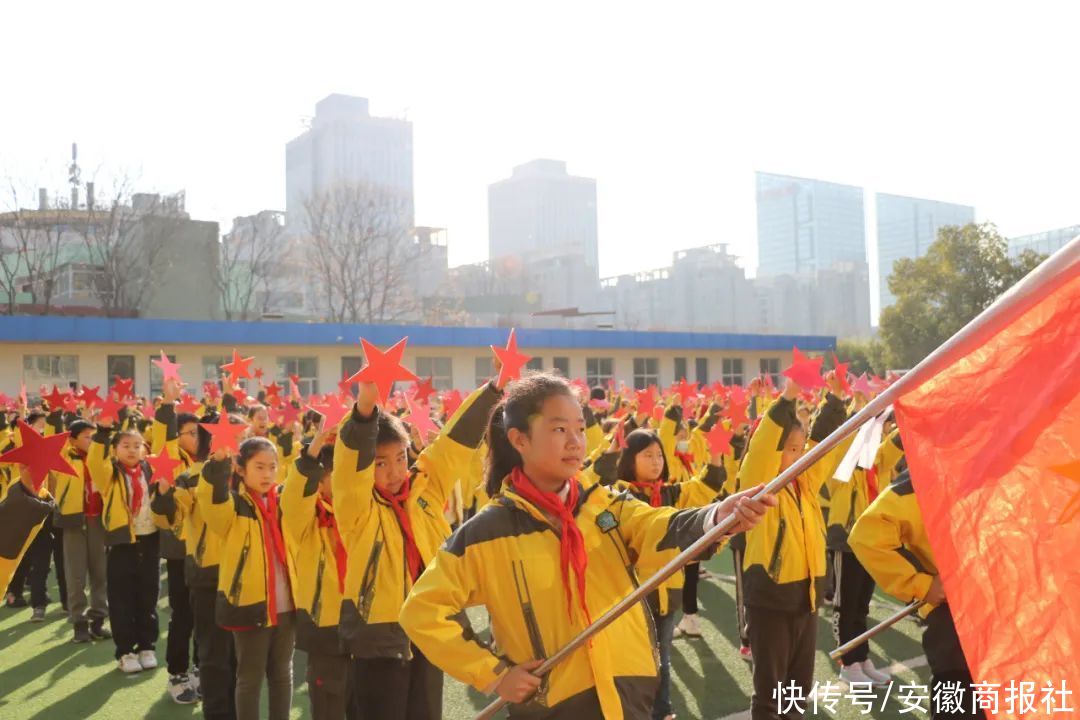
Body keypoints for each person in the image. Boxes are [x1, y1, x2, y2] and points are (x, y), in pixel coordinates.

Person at [399, 372, 776, 719]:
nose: (576, 441)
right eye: (559, 429)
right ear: (520, 440)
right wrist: (494, 674)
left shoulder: (605, 505)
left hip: (628, 692)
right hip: (553, 705)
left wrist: (716, 518)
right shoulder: (487, 532)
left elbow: (658, 526)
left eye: (579, 428)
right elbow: (421, 610)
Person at [332, 376, 503, 720]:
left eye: (399, 458)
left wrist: (494, 390)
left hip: (428, 630)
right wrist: (365, 410)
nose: (395, 471)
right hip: (378, 638)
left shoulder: (425, 489)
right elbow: (350, 468)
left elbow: (453, 445)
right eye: (380, 463)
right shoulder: (358, 508)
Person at [736, 373, 852, 720]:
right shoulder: (759, 485)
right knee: (770, 690)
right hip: (771, 596)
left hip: (806, 596)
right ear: (774, 452)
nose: (798, 456)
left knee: (797, 690)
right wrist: (787, 399)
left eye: (800, 449)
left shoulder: (805, 483)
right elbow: (762, 447)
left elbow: (824, 445)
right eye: (790, 450)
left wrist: (833, 402)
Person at [849, 459, 985, 720]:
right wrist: (921, 583)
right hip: (955, 626)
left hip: (1019, 618)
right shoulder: (929, 471)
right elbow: (867, 535)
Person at [199, 436, 296, 720]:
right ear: (240, 469)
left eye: (272, 466)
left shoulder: (285, 502)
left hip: (287, 605)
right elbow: (211, 502)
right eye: (259, 467)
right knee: (250, 678)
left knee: (282, 675)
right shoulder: (233, 505)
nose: (267, 474)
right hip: (250, 603)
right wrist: (217, 465)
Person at [281, 417, 356, 720]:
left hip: (365, 623)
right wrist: (314, 449)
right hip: (325, 626)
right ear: (321, 479)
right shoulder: (308, 518)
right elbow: (293, 497)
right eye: (339, 475)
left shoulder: (362, 512)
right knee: (330, 703)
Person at [88, 413, 162, 674]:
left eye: (137, 445)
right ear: (115, 449)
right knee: (121, 598)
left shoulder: (151, 469)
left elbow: (167, 446)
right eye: (125, 446)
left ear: (144, 449)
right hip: (122, 542)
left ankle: (146, 645)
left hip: (150, 538)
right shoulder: (110, 473)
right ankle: (125, 651)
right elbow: (95, 461)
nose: (132, 450)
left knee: (148, 594)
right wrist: (103, 431)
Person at [53, 418, 111, 643]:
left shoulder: (102, 456)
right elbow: (51, 439)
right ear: (72, 439)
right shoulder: (65, 457)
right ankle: (79, 623)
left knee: (100, 573)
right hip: (74, 521)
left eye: (93, 436)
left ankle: (98, 621)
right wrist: (54, 415)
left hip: (99, 521)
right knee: (75, 574)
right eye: (87, 436)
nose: (91, 440)